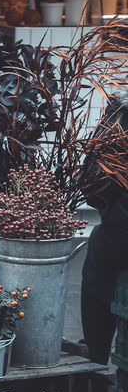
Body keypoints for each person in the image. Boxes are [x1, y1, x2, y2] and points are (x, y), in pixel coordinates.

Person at [80, 88, 128, 365]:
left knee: (98, 252)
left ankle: (95, 357)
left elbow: (95, 193)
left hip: (120, 244)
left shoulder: (120, 117)